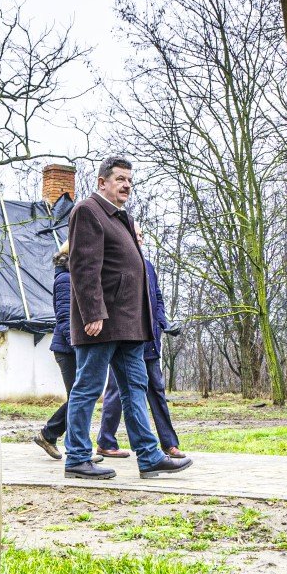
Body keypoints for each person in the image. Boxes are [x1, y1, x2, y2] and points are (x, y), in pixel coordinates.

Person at [63, 156, 191, 481]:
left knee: (136, 387)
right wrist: (92, 312)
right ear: (102, 182)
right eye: (119, 179)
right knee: (88, 388)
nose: (126, 185)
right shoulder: (88, 211)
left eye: (129, 181)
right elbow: (83, 266)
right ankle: (77, 458)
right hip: (102, 322)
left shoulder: (122, 218)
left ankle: (149, 457)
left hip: (130, 324)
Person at [96, 225, 182, 460]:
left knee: (157, 390)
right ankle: (105, 441)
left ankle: (169, 444)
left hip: (149, 341)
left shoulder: (149, 267)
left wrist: (164, 323)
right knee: (117, 392)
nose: (141, 238)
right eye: (137, 234)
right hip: (125, 340)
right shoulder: (115, 263)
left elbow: (158, 299)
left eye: (143, 235)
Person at [32, 241, 80, 459]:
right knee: (79, 396)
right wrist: (76, 344)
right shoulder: (65, 279)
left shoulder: (74, 277)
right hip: (68, 349)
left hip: (75, 346)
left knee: (80, 397)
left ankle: (55, 437)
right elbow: (64, 316)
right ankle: (53, 436)